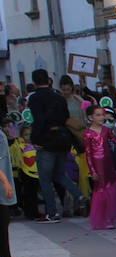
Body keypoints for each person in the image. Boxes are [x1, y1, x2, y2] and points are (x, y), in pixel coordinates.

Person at [27, 70, 83, 223]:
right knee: (59, 174)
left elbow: (38, 120)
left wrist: (35, 138)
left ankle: (51, 212)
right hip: (62, 139)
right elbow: (65, 118)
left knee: (45, 179)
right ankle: (80, 195)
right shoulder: (59, 98)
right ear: (49, 80)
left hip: (46, 140)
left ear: (34, 82)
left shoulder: (35, 98)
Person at [85, 105, 116, 231]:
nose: (101, 117)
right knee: (102, 191)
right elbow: (88, 155)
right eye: (97, 115)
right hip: (98, 165)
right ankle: (105, 219)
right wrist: (92, 171)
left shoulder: (106, 130)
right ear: (90, 117)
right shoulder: (88, 134)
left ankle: (114, 218)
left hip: (108, 164)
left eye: (102, 114)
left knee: (112, 191)